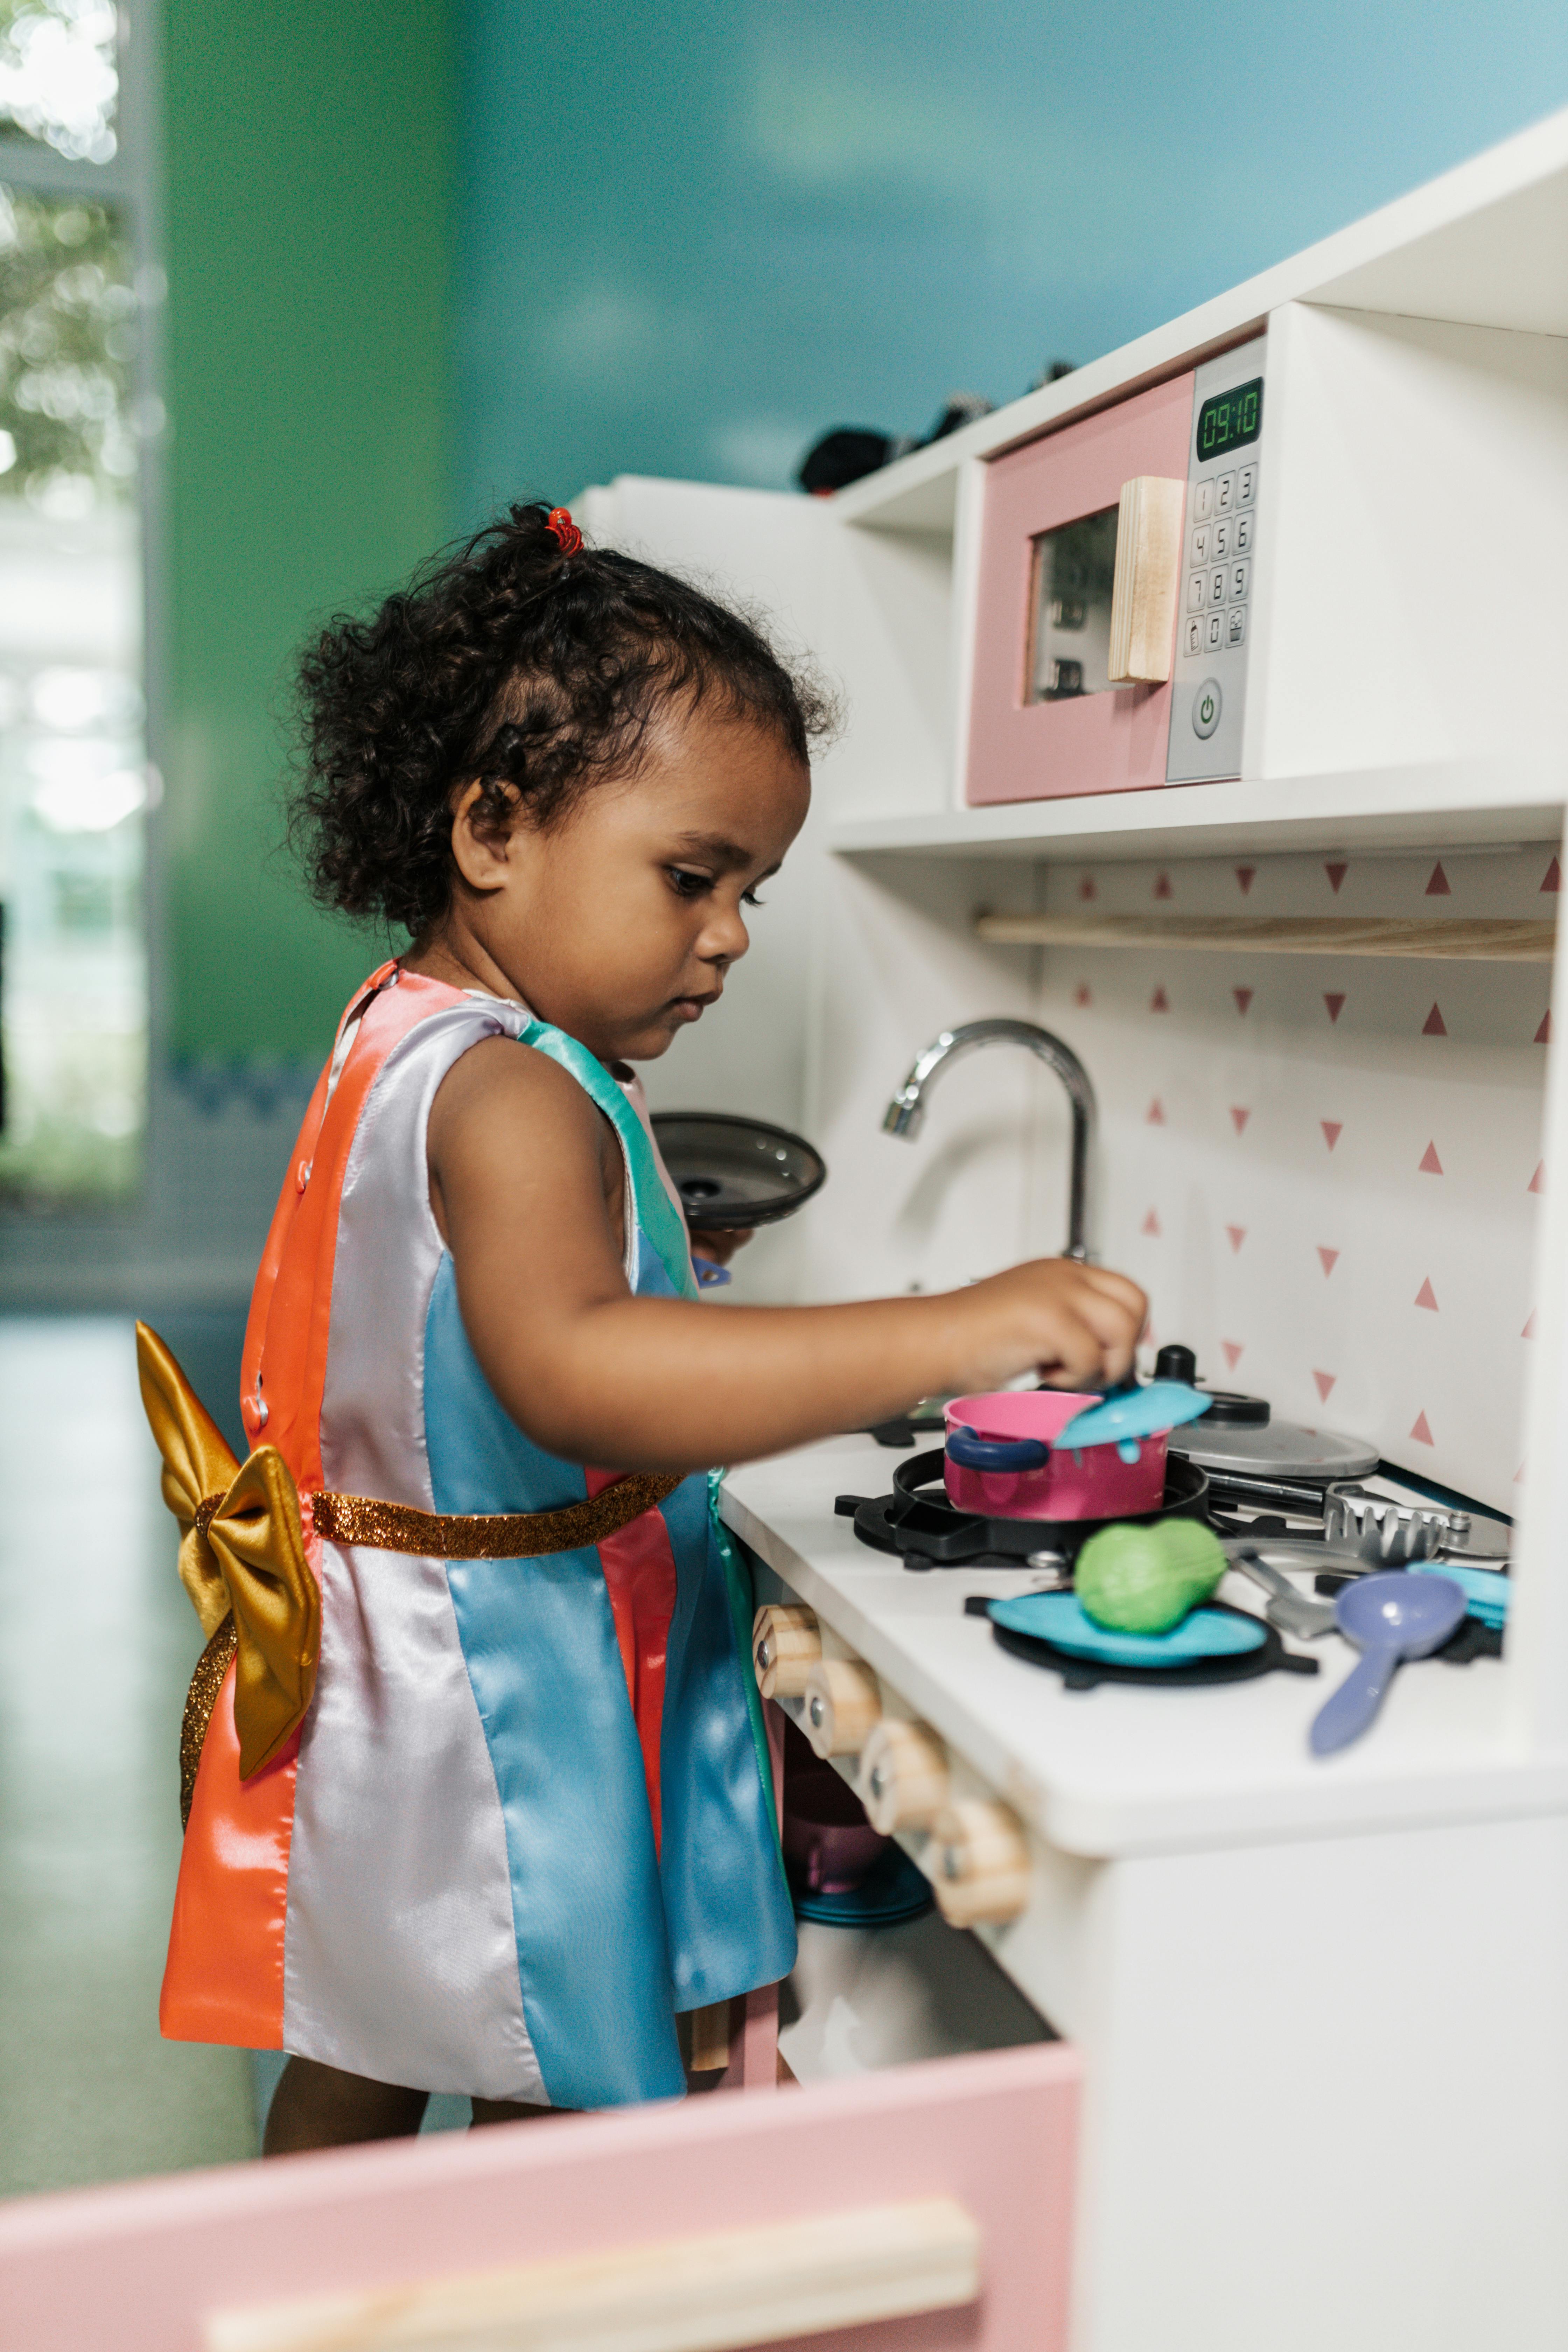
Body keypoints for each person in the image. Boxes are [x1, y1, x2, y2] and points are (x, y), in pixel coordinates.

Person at [152, 502, 1146, 2155]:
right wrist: (949, 1328)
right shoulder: (511, 1088)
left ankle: (293, 2299)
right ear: (492, 828)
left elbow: (446, 1323)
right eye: (692, 876)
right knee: (550, 2056)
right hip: (500, 1689)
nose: (734, 934)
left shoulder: (408, 1028)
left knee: (370, 2029)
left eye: (751, 886)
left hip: (395, 1650)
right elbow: (573, 1371)